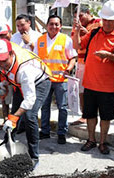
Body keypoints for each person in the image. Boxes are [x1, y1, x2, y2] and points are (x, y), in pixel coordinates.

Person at [73, 0, 114, 154]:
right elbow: (78, 46)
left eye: (110, 20)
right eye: (104, 19)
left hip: (108, 86)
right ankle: (91, 140)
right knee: (90, 115)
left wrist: (109, 55)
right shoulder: (94, 32)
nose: (106, 23)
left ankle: (102, 142)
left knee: (105, 117)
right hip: (90, 83)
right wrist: (76, 31)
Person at [0, 39, 52, 168]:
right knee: (14, 113)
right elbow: (9, 72)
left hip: (40, 82)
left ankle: (34, 156)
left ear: (11, 54)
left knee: (30, 116)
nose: (2, 64)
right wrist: (5, 83)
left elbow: (30, 99)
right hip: (19, 84)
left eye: (4, 60)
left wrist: (13, 118)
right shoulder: (0, 63)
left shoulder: (25, 69)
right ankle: (7, 142)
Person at [34, 15, 77, 144]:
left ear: (60, 26)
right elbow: (36, 58)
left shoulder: (66, 39)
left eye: (57, 24)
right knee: (45, 106)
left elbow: (73, 57)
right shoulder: (40, 40)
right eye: (51, 24)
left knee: (62, 107)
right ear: (47, 25)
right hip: (45, 79)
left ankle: (62, 133)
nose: (54, 27)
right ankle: (45, 131)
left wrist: (68, 68)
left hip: (61, 80)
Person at [70, 5, 102, 125]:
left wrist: (87, 32)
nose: (79, 19)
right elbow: (75, 44)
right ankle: (84, 115)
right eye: (76, 17)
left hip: (96, 62)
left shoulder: (99, 22)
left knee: (96, 89)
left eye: (81, 16)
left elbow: (101, 39)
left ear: (88, 13)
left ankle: (95, 114)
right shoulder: (76, 26)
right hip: (82, 61)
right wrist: (78, 30)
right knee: (81, 90)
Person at [0, 24, 14, 130]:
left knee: (16, 103)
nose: (3, 38)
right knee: (4, 102)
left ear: (10, 33)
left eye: (5, 35)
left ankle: (15, 122)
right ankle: (6, 121)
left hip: (16, 81)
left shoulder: (14, 45)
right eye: (1, 35)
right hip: (4, 80)